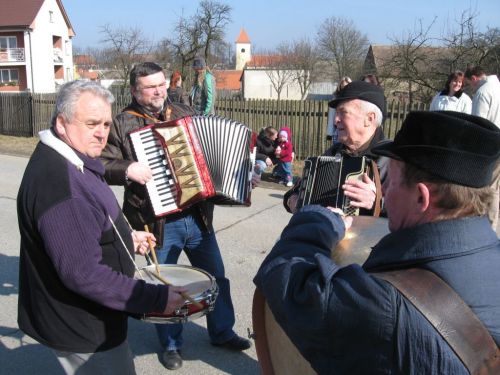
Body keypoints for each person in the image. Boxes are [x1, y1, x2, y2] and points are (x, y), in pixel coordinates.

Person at [254, 110, 500, 374]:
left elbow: (284, 276)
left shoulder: (385, 304)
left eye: (390, 182)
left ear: (421, 198)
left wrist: (321, 220)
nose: (385, 194)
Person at [17, 80, 187, 375]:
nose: (101, 133)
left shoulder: (72, 158)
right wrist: (156, 298)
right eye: (92, 123)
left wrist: (126, 237)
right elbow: (83, 273)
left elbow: (86, 226)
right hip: (83, 327)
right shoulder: (60, 185)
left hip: (89, 316)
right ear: (62, 122)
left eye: (107, 123)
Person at [101, 62, 251, 371]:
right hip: (155, 221)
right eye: (149, 87)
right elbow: (101, 163)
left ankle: (222, 332)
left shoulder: (184, 113)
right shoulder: (121, 123)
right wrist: (127, 169)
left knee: (215, 277)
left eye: (161, 84)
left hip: (197, 218)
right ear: (133, 91)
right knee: (163, 284)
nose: (158, 91)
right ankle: (171, 344)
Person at [284, 81, 387, 216]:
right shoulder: (334, 152)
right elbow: (294, 192)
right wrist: (294, 202)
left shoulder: (392, 159)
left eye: (343, 112)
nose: (335, 120)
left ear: (369, 118)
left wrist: (378, 203)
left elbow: (414, 214)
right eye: (336, 113)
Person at [464, 66, 500, 229]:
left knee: (483, 187)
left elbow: (479, 125)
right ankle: (491, 224)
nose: (471, 88)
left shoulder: (483, 91)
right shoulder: (497, 87)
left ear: (474, 79)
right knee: (495, 187)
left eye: (469, 84)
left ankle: (484, 226)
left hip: (488, 146)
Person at [326, 76, 352, 144]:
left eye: (346, 86)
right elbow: (332, 116)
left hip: (350, 129)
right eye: (343, 86)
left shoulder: (353, 100)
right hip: (338, 129)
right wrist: (329, 133)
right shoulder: (335, 99)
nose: (344, 88)